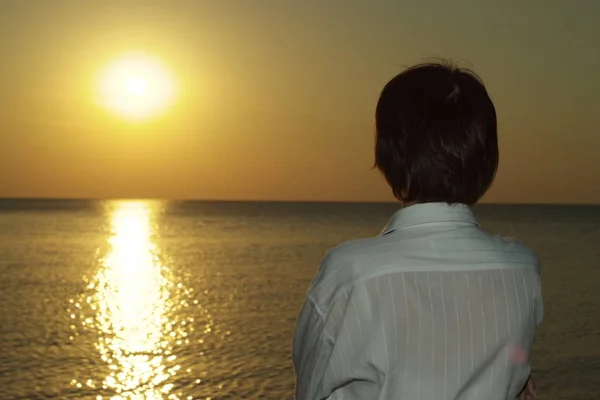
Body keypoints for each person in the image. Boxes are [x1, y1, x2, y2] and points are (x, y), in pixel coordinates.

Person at [292, 61, 543, 400]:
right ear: (488, 159)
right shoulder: (522, 268)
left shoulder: (351, 275)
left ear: (386, 153)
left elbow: (310, 389)